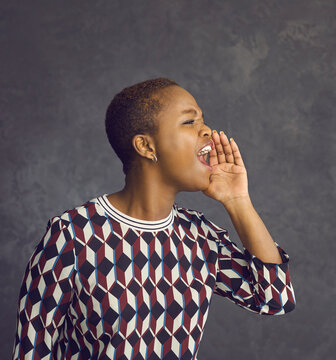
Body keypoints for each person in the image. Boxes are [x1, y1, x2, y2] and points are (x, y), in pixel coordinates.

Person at [12, 78, 296, 360]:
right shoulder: (74, 235)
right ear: (146, 147)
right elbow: (33, 349)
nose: (207, 130)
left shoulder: (199, 236)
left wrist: (237, 201)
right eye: (189, 122)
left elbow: (275, 299)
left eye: (203, 120)